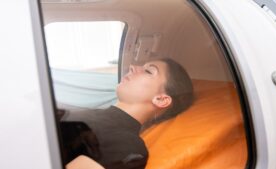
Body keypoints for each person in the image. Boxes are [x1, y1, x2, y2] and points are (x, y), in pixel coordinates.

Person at [60, 58, 194, 169]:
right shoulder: (92, 113)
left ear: (161, 99)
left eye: (148, 71)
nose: (132, 67)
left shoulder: (128, 146)